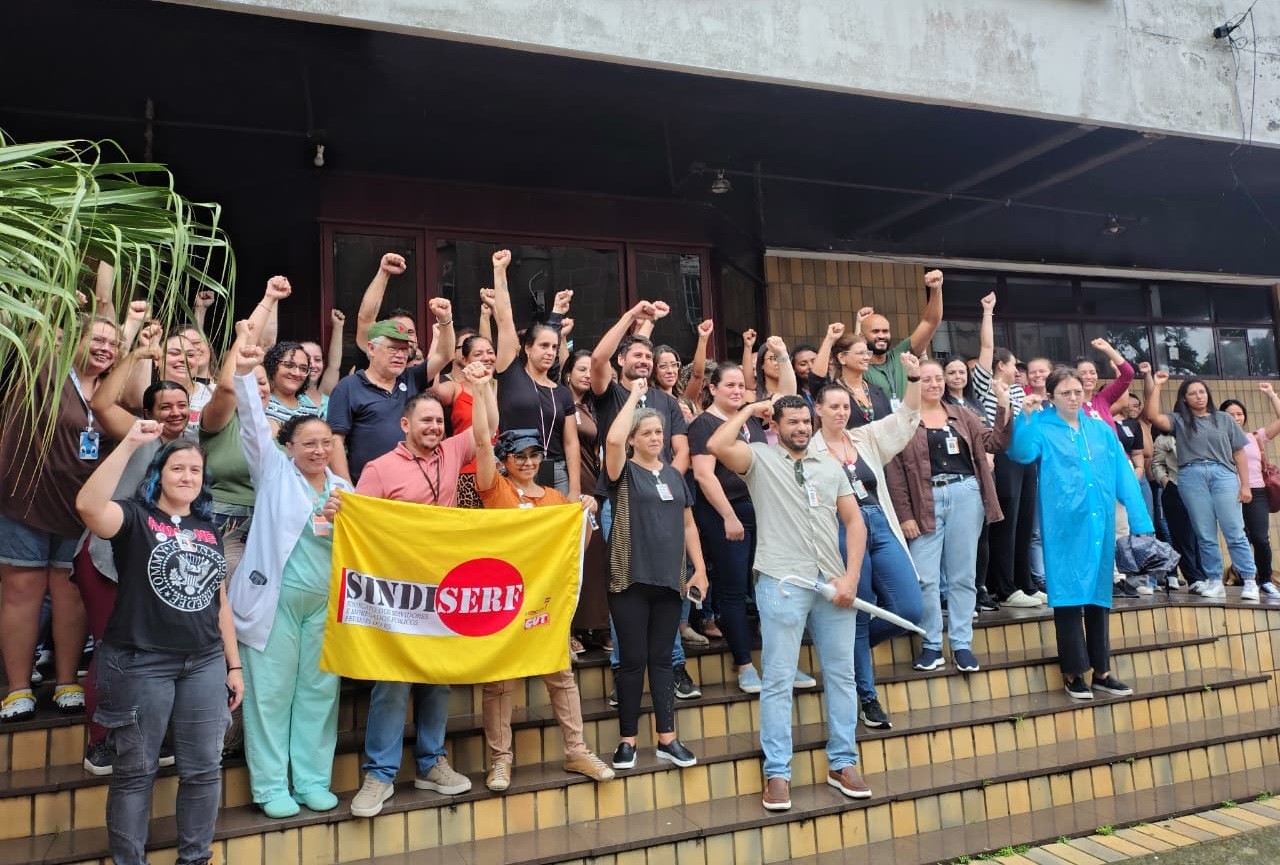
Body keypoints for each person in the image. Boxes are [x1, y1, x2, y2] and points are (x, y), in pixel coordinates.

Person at [75, 420, 241, 865]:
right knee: (136, 772)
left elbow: (219, 602)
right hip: (140, 661)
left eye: (195, 470)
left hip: (204, 661)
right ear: (159, 474)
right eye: (177, 468)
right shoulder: (134, 517)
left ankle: (195, 859)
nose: (187, 476)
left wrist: (234, 665)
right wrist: (130, 442)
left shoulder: (208, 528)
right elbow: (88, 506)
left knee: (204, 770)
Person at [707, 394, 870, 811]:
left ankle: (843, 763)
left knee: (842, 675)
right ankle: (777, 772)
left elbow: (855, 522)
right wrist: (749, 410)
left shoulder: (829, 465)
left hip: (832, 581)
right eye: (792, 422)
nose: (800, 428)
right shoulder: (759, 459)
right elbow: (717, 445)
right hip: (781, 579)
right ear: (775, 425)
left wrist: (851, 577)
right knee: (778, 680)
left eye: (805, 421)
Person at [339, 370, 486, 818]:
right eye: (426, 421)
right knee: (392, 681)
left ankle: (431, 763)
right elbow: (361, 528)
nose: (434, 427)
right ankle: (379, 775)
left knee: (437, 679)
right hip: (397, 594)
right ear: (405, 425)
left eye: (439, 421)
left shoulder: (452, 451)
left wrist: (481, 388)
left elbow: (485, 431)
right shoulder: (379, 469)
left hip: (442, 588)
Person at [227, 339, 354, 818]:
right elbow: (252, 422)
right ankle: (270, 787)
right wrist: (244, 373)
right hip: (276, 603)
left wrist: (347, 520)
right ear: (289, 447)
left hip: (324, 605)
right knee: (271, 695)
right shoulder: (274, 472)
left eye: (325, 443)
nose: (319, 450)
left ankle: (313, 781)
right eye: (309, 444)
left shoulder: (343, 490)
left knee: (319, 695)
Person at [472, 383, 615, 792]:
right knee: (500, 682)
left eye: (535, 455)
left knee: (561, 675)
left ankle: (577, 751)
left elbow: (575, 551)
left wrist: (585, 513)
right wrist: (481, 391)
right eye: (520, 455)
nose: (529, 462)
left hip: (543, 601)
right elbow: (481, 442)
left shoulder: (555, 498)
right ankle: (500, 760)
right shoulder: (494, 488)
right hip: (503, 599)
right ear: (505, 460)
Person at [80, 319, 192, 772]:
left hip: (152, 564)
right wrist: (141, 354)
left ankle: (150, 733)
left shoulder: (192, 448)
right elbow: (101, 402)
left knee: (150, 652)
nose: (174, 413)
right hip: (105, 558)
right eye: (164, 406)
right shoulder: (140, 432)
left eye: (182, 405)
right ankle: (100, 741)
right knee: (112, 648)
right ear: (149, 411)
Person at [0, 315, 119, 721]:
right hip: (26, 501)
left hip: (81, 507)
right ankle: (18, 689)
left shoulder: (112, 387)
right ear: (72, 340)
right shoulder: (44, 371)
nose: (105, 348)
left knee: (71, 595)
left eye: (113, 343)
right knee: (22, 591)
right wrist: (54, 305)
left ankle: (67, 681)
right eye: (96, 339)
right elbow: (34, 336)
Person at [1008, 370, 1152, 700]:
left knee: (1100, 595)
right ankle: (1073, 671)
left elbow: (1123, 474)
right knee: (1068, 594)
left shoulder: (1100, 429)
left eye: (1077, 392)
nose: (1073, 398)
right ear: (1051, 396)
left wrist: (1141, 521)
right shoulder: (1041, 425)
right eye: (1065, 393)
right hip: (1063, 525)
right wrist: (1024, 418)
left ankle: (1102, 671)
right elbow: (1021, 453)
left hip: (1099, 522)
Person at [809, 353, 923, 729]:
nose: (841, 412)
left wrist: (914, 378)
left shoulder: (864, 437)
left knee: (910, 608)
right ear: (819, 410)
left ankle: (842, 647)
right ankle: (868, 697)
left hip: (879, 522)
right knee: (858, 613)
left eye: (845, 406)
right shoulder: (809, 451)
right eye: (834, 406)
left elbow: (906, 418)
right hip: (843, 529)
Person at [690, 360, 816, 693]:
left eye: (739, 385)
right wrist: (729, 515)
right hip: (725, 513)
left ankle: (782, 663)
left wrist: (782, 355)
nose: (736, 391)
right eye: (728, 385)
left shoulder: (751, 423)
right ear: (713, 389)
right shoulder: (704, 424)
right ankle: (744, 665)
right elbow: (703, 474)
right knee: (733, 589)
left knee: (771, 586)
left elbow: (787, 396)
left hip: (762, 511)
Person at [603, 378, 709, 770]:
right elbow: (612, 441)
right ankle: (627, 741)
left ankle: (667, 739)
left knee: (663, 660)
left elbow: (689, 525)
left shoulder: (675, 475)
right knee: (633, 660)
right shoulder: (623, 471)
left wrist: (699, 570)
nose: (654, 438)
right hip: (630, 579)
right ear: (633, 438)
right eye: (646, 432)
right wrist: (634, 395)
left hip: (669, 581)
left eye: (659, 432)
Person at [887, 359, 1010, 673]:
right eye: (926, 379)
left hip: (965, 494)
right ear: (914, 383)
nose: (933, 384)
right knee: (925, 578)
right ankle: (931, 644)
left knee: (963, 576)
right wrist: (904, 516)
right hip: (924, 499)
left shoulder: (962, 414)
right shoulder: (903, 420)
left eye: (937, 379)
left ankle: (961, 644)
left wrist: (1003, 405)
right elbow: (895, 473)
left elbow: (996, 442)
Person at [1144, 372, 1256, 600]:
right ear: (1184, 398)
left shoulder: (1224, 419)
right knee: (1204, 533)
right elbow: (1152, 416)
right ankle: (1214, 580)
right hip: (1191, 475)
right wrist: (1157, 385)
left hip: (1223, 473)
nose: (1199, 396)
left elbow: (1239, 452)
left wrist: (1245, 486)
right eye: (1193, 393)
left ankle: (1250, 581)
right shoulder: (1179, 420)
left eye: (1202, 392)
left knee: (1234, 530)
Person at [328, 297, 455, 484]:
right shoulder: (348, 387)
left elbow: (444, 355)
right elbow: (335, 441)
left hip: (414, 484)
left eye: (404, 349)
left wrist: (445, 319)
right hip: (369, 489)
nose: (400, 355)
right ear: (372, 349)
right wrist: (346, 488)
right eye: (393, 348)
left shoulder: (411, 377)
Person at [489, 249, 581, 499]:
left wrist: (575, 489)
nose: (550, 352)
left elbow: (571, 443)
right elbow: (504, 320)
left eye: (554, 347)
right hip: (515, 467)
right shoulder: (510, 373)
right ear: (527, 349)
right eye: (543, 346)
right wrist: (500, 271)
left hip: (556, 470)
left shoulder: (562, 393)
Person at [972, 293, 1041, 609]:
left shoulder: (1017, 390)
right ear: (1001, 365)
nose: (1018, 371)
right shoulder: (986, 384)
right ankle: (1004, 586)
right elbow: (986, 347)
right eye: (1014, 365)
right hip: (1001, 457)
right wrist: (988, 312)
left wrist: (1028, 411)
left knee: (1025, 522)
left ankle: (1024, 582)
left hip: (1024, 458)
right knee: (1006, 523)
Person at [562, 350, 611, 653]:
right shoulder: (560, 401)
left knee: (595, 556)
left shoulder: (593, 406)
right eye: (581, 369)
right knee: (574, 555)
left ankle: (596, 626)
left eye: (590, 371)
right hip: (568, 481)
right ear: (567, 373)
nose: (586, 375)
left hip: (594, 482)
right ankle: (570, 627)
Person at [1220, 385, 1280, 599]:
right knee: (1239, 537)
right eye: (1230, 415)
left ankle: (1265, 580)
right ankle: (1247, 580)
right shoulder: (1218, 439)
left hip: (1257, 492)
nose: (1236, 418)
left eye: (1239, 414)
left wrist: (1272, 395)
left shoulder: (1255, 437)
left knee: (1260, 538)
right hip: (1228, 492)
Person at [431, 333, 499, 508]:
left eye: (490, 352)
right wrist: (437, 342)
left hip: (498, 472)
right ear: (465, 360)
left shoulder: (499, 388)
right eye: (478, 354)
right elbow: (428, 389)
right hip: (467, 472)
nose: (486, 358)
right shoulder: (455, 388)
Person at [861, 269, 945, 405]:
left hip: (909, 418)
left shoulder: (901, 354)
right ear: (862, 336)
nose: (881, 336)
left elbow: (930, 322)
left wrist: (936, 290)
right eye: (875, 331)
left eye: (885, 331)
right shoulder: (859, 366)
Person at [808, 325, 891, 428]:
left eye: (868, 353)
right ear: (842, 357)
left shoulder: (877, 391)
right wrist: (829, 339)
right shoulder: (831, 391)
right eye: (860, 353)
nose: (866, 357)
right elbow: (816, 378)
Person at [1151, 432, 1206, 589]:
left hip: (1202, 488)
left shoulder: (1203, 432)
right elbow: (1157, 464)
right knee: (1184, 537)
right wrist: (1165, 482)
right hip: (1176, 488)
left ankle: (1205, 575)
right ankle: (1194, 578)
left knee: (1202, 535)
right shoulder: (1165, 438)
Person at [263, 340, 323, 431]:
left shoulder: (312, 411)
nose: (296, 373)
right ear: (273, 365)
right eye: (289, 365)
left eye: (303, 368)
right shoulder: (261, 401)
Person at [297, 309, 345, 412]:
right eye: (306, 359)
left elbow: (334, 365)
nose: (312, 364)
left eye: (317, 359)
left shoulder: (325, 395)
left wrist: (338, 327)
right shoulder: (284, 394)